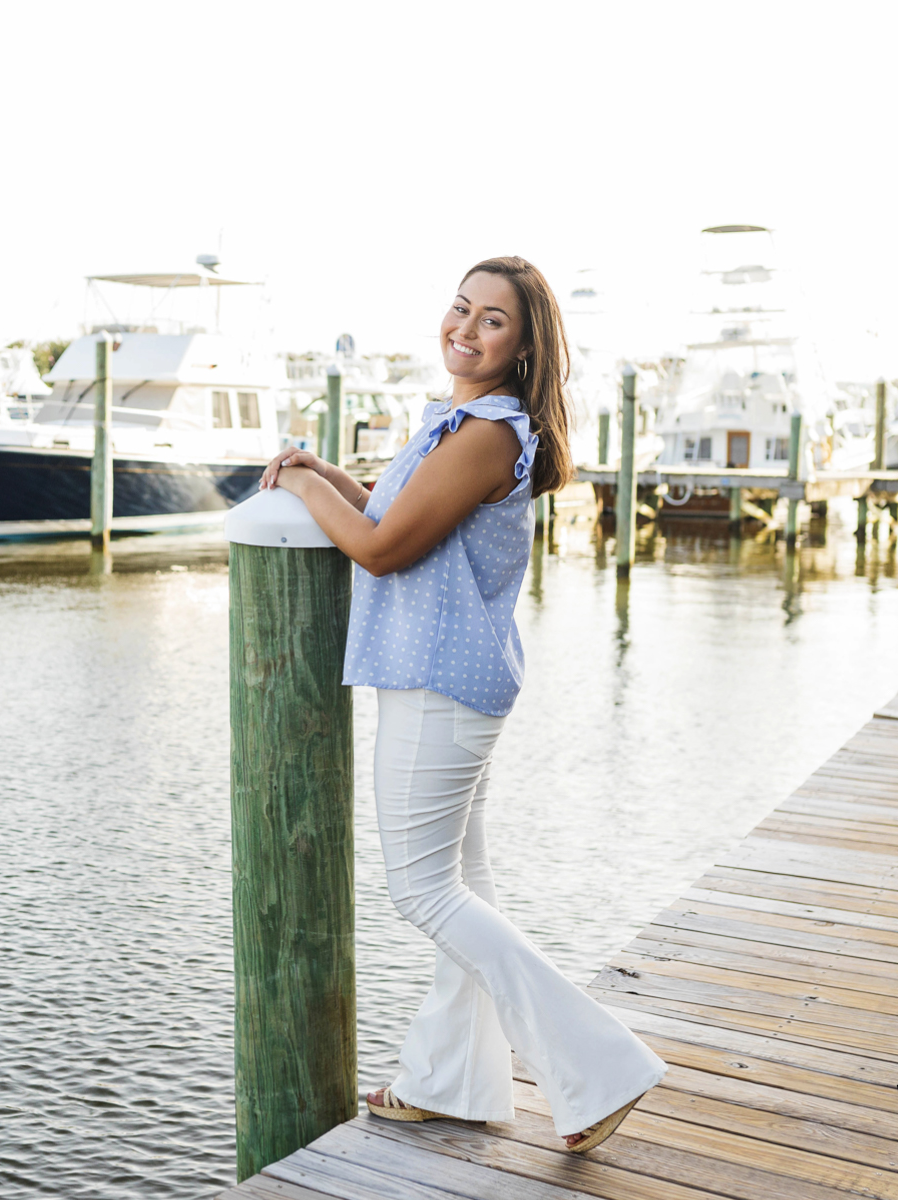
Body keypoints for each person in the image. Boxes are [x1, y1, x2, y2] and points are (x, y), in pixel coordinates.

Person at [258, 256, 667, 1154]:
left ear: (524, 347)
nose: (466, 328)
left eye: (493, 320)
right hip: (449, 683)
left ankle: (602, 1068)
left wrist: (295, 487)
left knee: (424, 891)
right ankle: (454, 1082)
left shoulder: (486, 431)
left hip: (439, 689)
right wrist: (324, 471)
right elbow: (399, 515)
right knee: (464, 889)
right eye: (461, 308)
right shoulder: (460, 423)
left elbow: (378, 550)